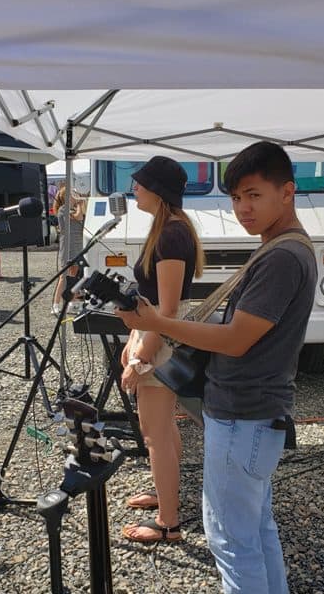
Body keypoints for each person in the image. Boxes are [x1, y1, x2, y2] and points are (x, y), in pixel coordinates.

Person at [116, 142, 317, 593]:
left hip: (243, 413)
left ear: (287, 193)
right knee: (254, 530)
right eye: (235, 198)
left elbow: (236, 339)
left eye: (253, 195)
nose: (242, 209)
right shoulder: (283, 247)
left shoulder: (283, 256)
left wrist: (154, 324)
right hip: (253, 412)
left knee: (230, 541)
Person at [117, 156, 205, 544]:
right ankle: (164, 494)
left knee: (154, 434)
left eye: (140, 183)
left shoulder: (171, 234)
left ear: (158, 190)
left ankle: (168, 523)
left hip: (161, 340)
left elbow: (168, 311)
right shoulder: (168, 229)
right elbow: (156, 304)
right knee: (163, 428)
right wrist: (132, 342)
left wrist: (141, 357)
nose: (134, 188)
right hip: (155, 335)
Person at [51, 185, 85, 315]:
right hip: (68, 245)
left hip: (77, 244)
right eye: (73, 194)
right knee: (63, 276)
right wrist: (80, 205)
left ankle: (73, 303)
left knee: (75, 275)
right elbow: (79, 217)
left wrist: (79, 205)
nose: (76, 196)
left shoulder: (73, 208)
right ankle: (55, 304)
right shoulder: (63, 209)